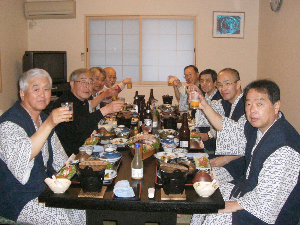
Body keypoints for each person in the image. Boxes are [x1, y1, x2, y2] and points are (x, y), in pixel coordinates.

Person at [191, 79, 300, 225]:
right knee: (207, 199)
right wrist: (203, 105)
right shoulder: (256, 129)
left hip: (269, 213)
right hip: (248, 191)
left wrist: (233, 204)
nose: (252, 110)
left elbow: (267, 200)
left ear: (276, 106)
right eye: (248, 104)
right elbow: (229, 129)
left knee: (216, 215)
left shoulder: (284, 147)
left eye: (259, 104)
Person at [0, 68, 86, 224]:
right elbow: (22, 158)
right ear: (22, 93)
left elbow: (60, 158)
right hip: (18, 196)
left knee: (80, 207)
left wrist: (81, 169)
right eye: (36, 89)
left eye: (46, 89)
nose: (42, 94)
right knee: (59, 219)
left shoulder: (44, 118)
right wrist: (49, 124)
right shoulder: (9, 123)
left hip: (46, 189)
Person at [52, 68, 124, 156]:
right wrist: (105, 110)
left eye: (90, 82)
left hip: (82, 150)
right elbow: (76, 128)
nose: (87, 86)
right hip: (67, 156)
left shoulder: (83, 101)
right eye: (82, 82)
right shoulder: (66, 103)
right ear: (72, 83)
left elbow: (86, 128)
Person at [194, 68, 245, 183]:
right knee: (193, 166)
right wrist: (200, 98)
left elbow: (246, 142)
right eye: (220, 85)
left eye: (227, 84)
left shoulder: (245, 107)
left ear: (238, 84)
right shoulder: (227, 103)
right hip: (223, 157)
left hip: (236, 166)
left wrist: (225, 159)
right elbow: (207, 113)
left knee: (201, 180)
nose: (223, 89)